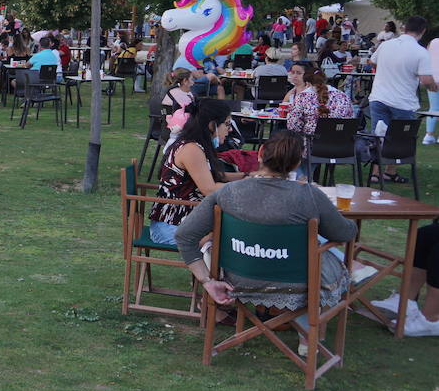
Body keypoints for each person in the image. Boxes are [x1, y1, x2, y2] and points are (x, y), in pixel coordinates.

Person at [177, 130, 357, 349]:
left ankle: (301, 328)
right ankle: (307, 333)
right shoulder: (309, 195)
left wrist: (207, 282)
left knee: (209, 245)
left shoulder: (228, 193)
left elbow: (185, 235)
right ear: (296, 163)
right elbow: (345, 234)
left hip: (238, 279)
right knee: (322, 254)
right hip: (297, 283)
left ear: (260, 153)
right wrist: (351, 221)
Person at [147, 99, 245, 245]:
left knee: (237, 232)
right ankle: (208, 267)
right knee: (235, 238)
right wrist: (248, 186)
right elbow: (209, 188)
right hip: (173, 226)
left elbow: (210, 176)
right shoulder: (191, 149)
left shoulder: (195, 145)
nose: (229, 129)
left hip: (185, 221)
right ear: (212, 125)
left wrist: (246, 177)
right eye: (227, 124)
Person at [368, 16, 438, 180]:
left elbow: (372, 61)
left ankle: (376, 173)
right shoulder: (420, 52)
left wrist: (387, 69)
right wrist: (434, 87)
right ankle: (390, 171)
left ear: (404, 28)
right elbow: (427, 80)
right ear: (423, 31)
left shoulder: (386, 45)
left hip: (379, 97)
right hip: (403, 101)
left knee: (379, 136)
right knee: (399, 138)